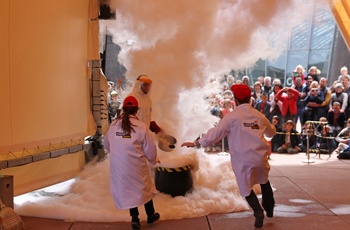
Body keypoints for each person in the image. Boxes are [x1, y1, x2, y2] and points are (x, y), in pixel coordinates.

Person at [181, 84, 276, 228]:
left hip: (243, 159)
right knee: (264, 180)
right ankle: (269, 208)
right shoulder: (258, 115)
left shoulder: (232, 117)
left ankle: (258, 212)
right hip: (260, 157)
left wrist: (197, 142)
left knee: (245, 187)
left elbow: (215, 133)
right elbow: (271, 132)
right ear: (250, 99)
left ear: (236, 100)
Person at [103, 96, 160, 230]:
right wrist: (153, 160)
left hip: (118, 167)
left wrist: (118, 155)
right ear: (136, 110)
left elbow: (107, 145)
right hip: (136, 165)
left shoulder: (113, 125)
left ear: (123, 109)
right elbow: (150, 150)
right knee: (144, 187)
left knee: (129, 190)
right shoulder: (141, 127)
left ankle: (135, 218)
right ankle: (150, 215)